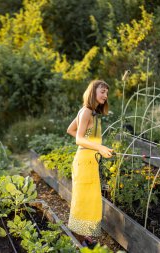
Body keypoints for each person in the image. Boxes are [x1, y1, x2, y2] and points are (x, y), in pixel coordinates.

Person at [66, 80, 113, 247]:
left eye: (107, 93)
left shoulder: (89, 112)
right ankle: (82, 237)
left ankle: (84, 236)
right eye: (102, 92)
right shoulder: (86, 111)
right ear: (93, 92)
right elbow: (78, 139)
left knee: (87, 198)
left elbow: (70, 130)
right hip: (85, 162)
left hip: (88, 161)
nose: (105, 96)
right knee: (86, 199)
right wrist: (98, 147)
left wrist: (97, 148)